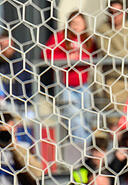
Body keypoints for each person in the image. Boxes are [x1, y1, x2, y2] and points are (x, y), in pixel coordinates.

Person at [41, 11, 96, 148]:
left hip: (83, 85)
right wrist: (66, 59)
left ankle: (87, 151)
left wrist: (81, 58)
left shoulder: (88, 40)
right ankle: (85, 151)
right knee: (75, 119)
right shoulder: (60, 37)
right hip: (65, 86)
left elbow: (94, 57)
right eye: (73, 23)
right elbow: (46, 55)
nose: (76, 26)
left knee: (87, 118)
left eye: (79, 23)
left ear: (84, 25)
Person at [0, 32, 36, 119]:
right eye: (2, 46)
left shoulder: (21, 66)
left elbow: (29, 91)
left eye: (8, 46)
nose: (4, 49)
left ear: (14, 47)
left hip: (17, 106)